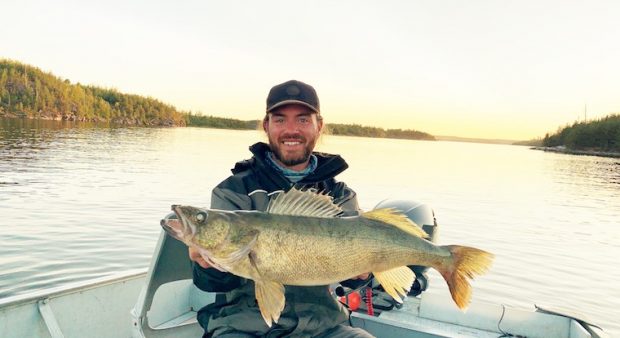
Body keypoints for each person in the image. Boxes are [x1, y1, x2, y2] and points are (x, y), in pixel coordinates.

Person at [189, 80, 375, 338]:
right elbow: (214, 284)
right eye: (279, 120)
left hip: (324, 326)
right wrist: (206, 267)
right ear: (266, 126)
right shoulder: (233, 191)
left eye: (302, 120)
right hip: (243, 326)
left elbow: (355, 281)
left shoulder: (339, 195)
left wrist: (361, 274)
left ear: (318, 126)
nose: (291, 130)